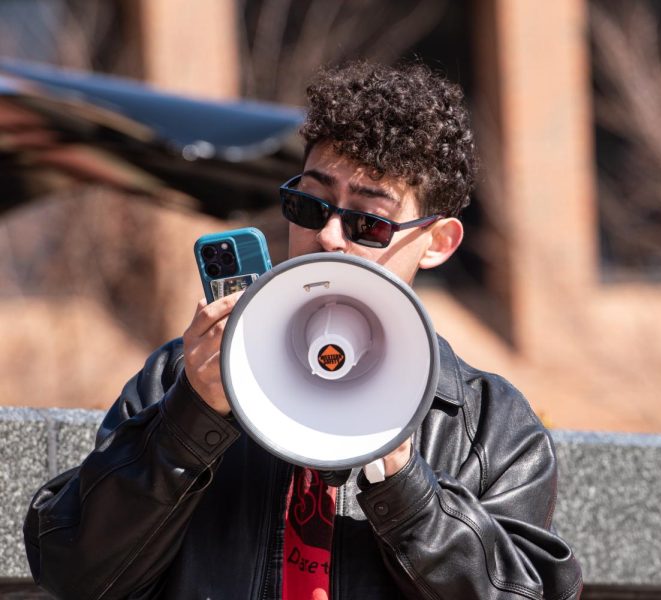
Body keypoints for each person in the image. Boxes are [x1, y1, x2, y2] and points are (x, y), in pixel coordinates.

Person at [23, 61, 583, 599]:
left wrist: (407, 488)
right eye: (312, 206)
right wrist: (189, 420)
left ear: (438, 242)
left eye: (370, 222)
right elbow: (76, 571)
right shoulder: (183, 376)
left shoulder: (487, 422)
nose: (331, 237)